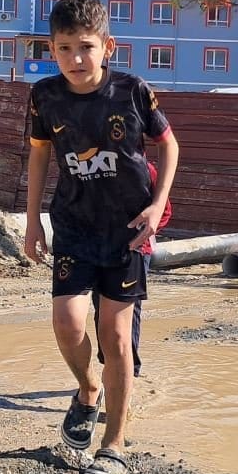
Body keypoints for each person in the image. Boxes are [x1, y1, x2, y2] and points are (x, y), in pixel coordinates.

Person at [23, 0, 179, 474]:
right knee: (68, 324)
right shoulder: (44, 97)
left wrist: (156, 206)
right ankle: (87, 389)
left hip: (128, 231)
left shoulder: (132, 91)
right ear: (51, 49)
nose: (75, 58)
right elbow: (40, 158)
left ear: (107, 46)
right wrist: (32, 221)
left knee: (115, 337)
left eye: (85, 46)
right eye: (64, 47)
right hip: (72, 226)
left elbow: (169, 144)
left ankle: (113, 446)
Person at [92, 160, 172, 378]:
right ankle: (109, 364)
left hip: (136, 250)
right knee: (100, 306)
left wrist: (139, 237)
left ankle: (129, 370)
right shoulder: (95, 168)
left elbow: (163, 211)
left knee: (129, 311)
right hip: (100, 249)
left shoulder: (147, 170)